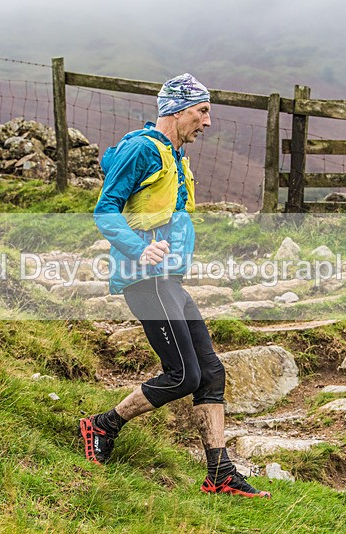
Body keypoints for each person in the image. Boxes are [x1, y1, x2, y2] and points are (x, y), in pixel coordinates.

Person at [80, 73, 271, 498]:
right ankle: (101, 425)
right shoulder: (142, 151)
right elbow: (105, 209)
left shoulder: (173, 155)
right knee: (183, 374)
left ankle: (219, 473)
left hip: (169, 281)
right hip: (144, 280)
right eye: (202, 111)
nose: (207, 122)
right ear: (178, 110)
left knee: (211, 373)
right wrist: (136, 248)